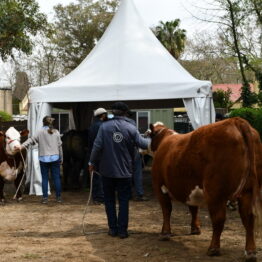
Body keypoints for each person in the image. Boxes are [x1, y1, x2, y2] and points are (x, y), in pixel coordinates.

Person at [88, 102, 150, 239]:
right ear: (125, 113)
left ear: (113, 112)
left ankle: (112, 229)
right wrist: (152, 136)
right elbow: (144, 144)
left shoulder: (104, 127)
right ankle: (122, 231)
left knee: (109, 200)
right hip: (125, 171)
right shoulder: (131, 127)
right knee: (123, 201)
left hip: (107, 171)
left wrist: (91, 162)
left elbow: (96, 147)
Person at [20, 116, 63, 204]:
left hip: (43, 158)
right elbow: (60, 146)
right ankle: (58, 198)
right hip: (55, 158)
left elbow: (31, 140)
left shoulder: (39, 132)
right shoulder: (56, 132)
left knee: (44, 178)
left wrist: (22, 146)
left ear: (43, 123)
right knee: (56, 178)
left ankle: (45, 198)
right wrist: (61, 157)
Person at [87, 108, 107, 204]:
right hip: (102, 154)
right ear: (103, 115)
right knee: (103, 176)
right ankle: (101, 197)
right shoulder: (103, 126)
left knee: (95, 176)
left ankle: (96, 197)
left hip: (93, 154)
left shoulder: (92, 126)